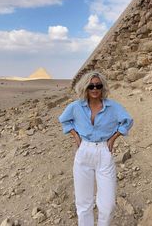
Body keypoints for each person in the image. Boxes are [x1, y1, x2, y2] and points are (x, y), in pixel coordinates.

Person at [58, 71, 133, 226]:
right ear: (85, 87)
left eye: (98, 85)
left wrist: (113, 138)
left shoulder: (113, 107)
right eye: (91, 85)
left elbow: (127, 121)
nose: (94, 89)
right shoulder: (76, 106)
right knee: (83, 203)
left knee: (108, 205)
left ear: (102, 87)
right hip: (84, 152)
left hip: (104, 153)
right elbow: (64, 120)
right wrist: (75, 136)